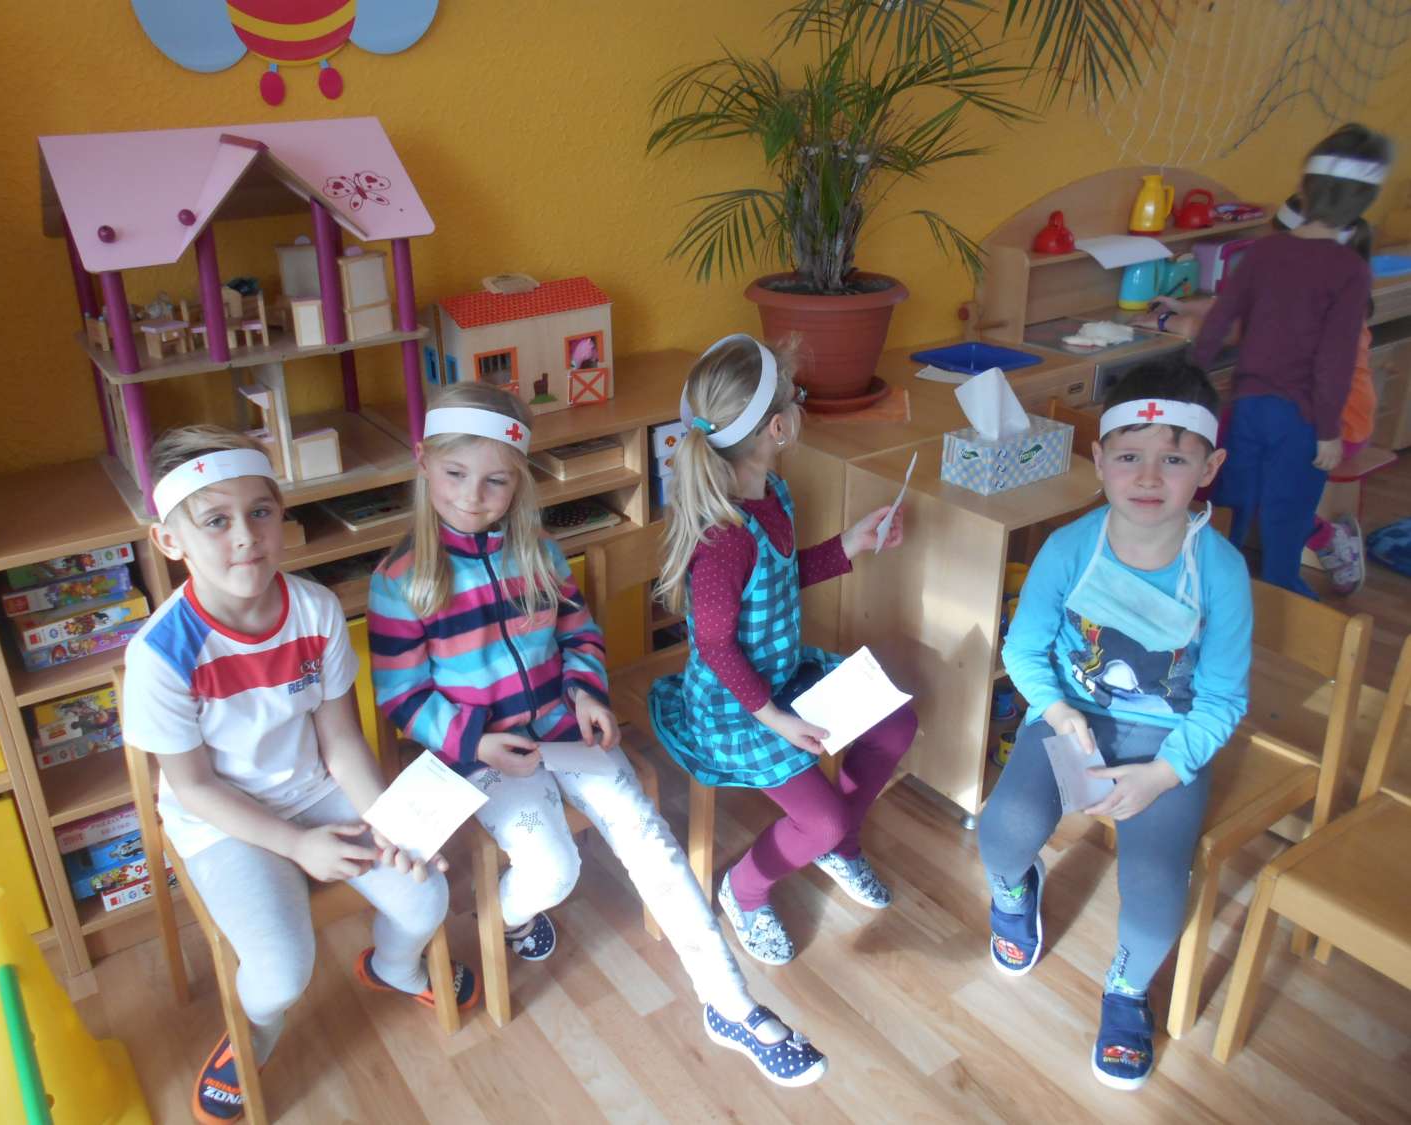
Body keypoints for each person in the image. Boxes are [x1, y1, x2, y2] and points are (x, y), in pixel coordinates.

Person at [368, 383, 827, 1087]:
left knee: (653, 841)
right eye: (455, 474)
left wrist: (586, 691)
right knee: (553, 871)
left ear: (518, 481)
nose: (472, 497)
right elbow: (403, 694)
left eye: (495, 481)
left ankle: (730, 1005)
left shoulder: (540, 551)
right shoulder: (400, 581)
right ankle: (506, 917)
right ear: (423, 461)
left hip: (563, 731)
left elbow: (578, 633)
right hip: (485, 758)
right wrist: (476, 742)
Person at [122, 426, 477, 1125]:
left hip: (314, 789)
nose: (245, 536)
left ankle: (393, 967)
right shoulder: (160, 654)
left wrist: (391, 823)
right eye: (216, 521)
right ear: (169, 540)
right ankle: (255, 1028)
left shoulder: (314, 609)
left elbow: (341, 739)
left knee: (424, 896)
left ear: (281, 515)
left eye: (260, 511)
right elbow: (195, 788)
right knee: (282, 972)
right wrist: (295, 845)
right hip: (224, 821)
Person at [979, 358, 1252, 1092]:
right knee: (1001, 833)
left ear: (1209, 468)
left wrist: (1164, 773)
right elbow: (1023, 649)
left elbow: (1222, 699)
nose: (1149, 477)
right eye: (1130, 457)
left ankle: (1127, 991)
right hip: (1072, 718)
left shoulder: (1221, 571)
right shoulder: (1071, 547)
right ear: (1099, 460)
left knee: (1157, 892)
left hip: (1167, 743)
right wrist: (1060, 712)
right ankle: (1015, 894)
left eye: (1174, 460)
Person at [648, 334, 919, 967]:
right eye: (797, 397)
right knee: (820, 821)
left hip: (783, 675)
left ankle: (838, 845)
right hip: (737, 709)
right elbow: (714, 645)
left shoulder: (773, 493)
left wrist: (848, 545)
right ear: (778, 427)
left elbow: (779, 578)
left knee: (895, 724)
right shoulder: (725, 538)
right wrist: (775, 718)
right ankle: (745, 891)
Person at [1132, 196, 1378, 595]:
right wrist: (1182, 311)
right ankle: (1220, 567)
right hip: (1281, 410)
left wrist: (1167, 321)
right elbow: (1229, 308)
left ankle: (1317, 544)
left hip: (1330, 423)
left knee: (1259, 492)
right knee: (1228, 472)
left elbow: (1234, 328)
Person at [1192, 123, 1392, 596]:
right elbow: (1334, 359)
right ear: (1364, 202)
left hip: (1249, 408)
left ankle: (1218, 603)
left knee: (1232, 514)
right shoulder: (1349, 269)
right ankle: (1287, 615)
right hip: (1302, 422)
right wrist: (1328, 431)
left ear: (1306, 187)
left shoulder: (1264, 250)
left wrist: (1192, 380)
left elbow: (1219, 321)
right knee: (1285, 528)